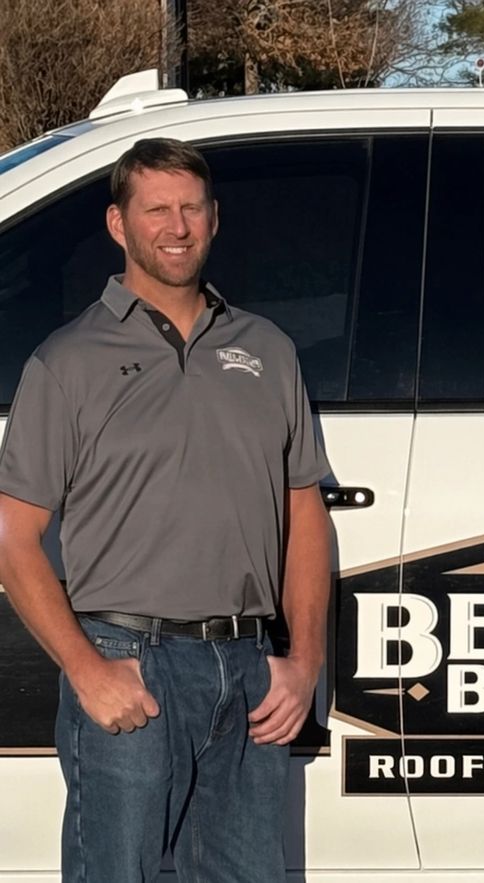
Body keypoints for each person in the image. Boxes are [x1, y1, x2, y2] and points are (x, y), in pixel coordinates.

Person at [0, 138, 332, 881]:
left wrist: (303, 661)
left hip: (249, 673)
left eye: (191, 208)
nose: (176, 227)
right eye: (156, 210)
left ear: (214, 219)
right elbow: (12, 538)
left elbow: (304, 512)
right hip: (130, 663)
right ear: (119, 225)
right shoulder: (67, 361)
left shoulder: (268, 350)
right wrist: (87, 671)